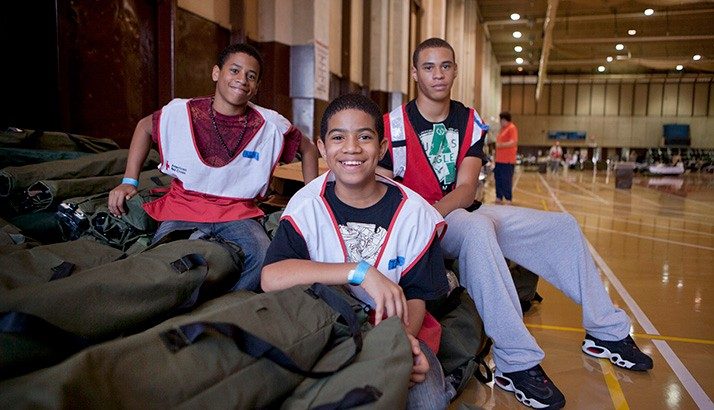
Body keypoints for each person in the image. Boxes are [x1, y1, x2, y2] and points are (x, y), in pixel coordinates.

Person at [378, 38, 652, 409]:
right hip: (414, 231)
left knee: (562, 226)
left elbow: (466, 188)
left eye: (446, 65)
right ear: (414, 74)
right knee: (477, 229)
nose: (438, 74)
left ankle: (606, 330)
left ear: (455, 70)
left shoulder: (469, 121)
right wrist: (413, 225)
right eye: (428, 67)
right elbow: (380, 190)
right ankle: (515, 363)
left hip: (452, 215)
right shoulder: (391, 126)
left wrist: (433, 216)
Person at [261, 93, 454, 409]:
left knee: (429, 401)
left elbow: (417, 296)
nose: (351, 148)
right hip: (328, 331)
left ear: (382, 148)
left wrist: (400, 344)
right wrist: (360, 272)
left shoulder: (415, 213)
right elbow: (271, 276)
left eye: (364, 137)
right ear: (323, 147)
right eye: (338, 137)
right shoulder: (307, 206)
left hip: (398, 330)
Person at [107, 43, 319, 291]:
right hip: (184, 205)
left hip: (237, 212)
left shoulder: (270, 125)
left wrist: (311, 196)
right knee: (165, 260)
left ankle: (225, 308)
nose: (242, 80)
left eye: (251, 76)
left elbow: (309, 149)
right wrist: (129, 181)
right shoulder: (182, 112)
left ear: (257, 87)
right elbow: (144, 127)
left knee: (263, 257)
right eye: (235, 71)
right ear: (216, 73)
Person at [494, 111, 518, 204]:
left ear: (504, 120)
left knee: (506, 180)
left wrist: (501, 145)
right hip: (499, 160)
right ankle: (499, 196)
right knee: (498, 179)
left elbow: (513, 142)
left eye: (501, 120)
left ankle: (508, 198)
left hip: (507, 161)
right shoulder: (502, 130)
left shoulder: (512, 128)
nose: (500, 122)